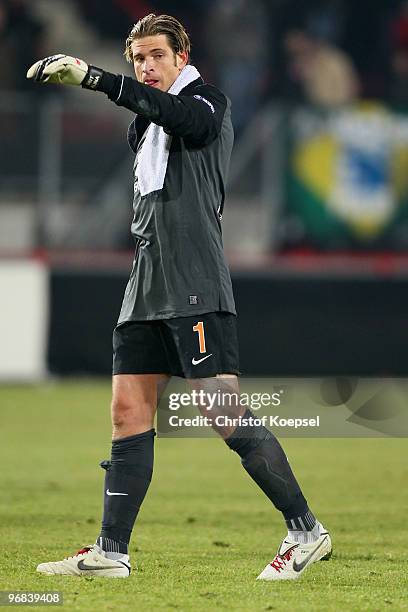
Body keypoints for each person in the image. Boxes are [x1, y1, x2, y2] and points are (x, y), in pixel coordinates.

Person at [27, 13, 332, 581]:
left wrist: (97, 79)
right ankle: (111, 551)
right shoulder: (142, 122)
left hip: (194, 280)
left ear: (181, 54)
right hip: (147, 283)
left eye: (156, 57)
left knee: (221, 412)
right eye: (137, 59)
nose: (146, 68)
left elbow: (184, 120)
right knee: (126, 413)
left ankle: (306, 531)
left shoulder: (207, 102)